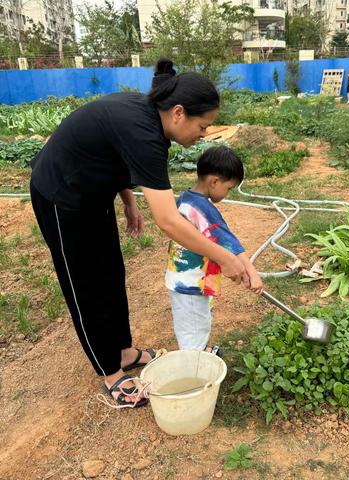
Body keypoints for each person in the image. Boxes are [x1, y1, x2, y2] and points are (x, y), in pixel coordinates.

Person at [29, 59, 248, 408]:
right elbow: (170, 221)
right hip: (61, 195)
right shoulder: (145, 132)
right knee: (85, 283)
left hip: (92, 192)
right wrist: (225, 258)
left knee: (110, 272)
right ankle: (110, 373)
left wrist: (128, 202)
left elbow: (113, 155)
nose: (205, 134)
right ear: (178, 113)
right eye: (203, 125)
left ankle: (125, 352)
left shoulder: (152, 125)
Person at [165, 146, 263, 355]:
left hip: (182, 277)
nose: (227, 195)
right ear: (214, 182)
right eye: (228, 188)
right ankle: (195, 370)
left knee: (195, 321)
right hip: (191, 284)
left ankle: (200, 351)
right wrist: (252, 273)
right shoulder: (205, 210)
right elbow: (230, 244)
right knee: (194, 329)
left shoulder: (185, 198)